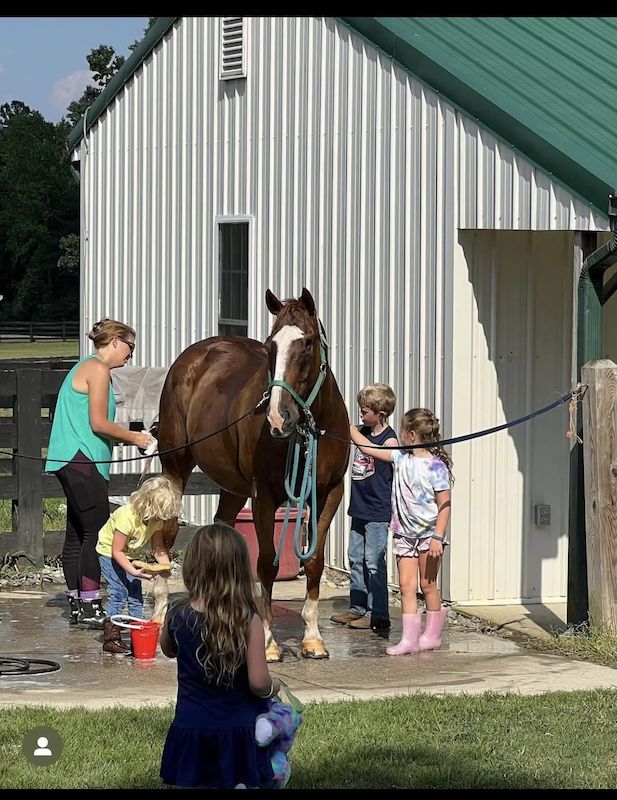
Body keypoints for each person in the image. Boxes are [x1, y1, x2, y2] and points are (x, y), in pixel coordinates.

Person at [44, 319, 154, 630]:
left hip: (70, 459)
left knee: (77, 534)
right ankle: (92, 605)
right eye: (130, 347)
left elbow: (93, 424)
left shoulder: (85, 367)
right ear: (116, 341)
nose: (130, 355)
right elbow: (97, 423)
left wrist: (122, 437)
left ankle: (78, 603)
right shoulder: (98, 369)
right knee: (96, 532)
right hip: (83, 461)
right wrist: (137, 439)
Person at [159, 523, 281, 790]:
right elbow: (259, 683)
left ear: (193, 566)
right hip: (238, 732)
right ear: (239, 569)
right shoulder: (248, 618)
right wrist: (276, 686)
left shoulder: (176, 614)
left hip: (191, 728)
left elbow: (168, 649)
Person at [349, 407, 453, 655]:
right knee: (407, 587)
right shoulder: (400, 457)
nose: (400, 434)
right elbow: (367, 448)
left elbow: (445, 504)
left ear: (412, 435)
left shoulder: (436, 467)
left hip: (429, 536)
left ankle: (432, 635)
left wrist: (438, 536)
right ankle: (409, 640)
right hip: (405, 535)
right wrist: (350, 430)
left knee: (428, 586)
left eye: (404, 430)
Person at [331, 384, 398, 632]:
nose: (361, 415)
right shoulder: (362, 432)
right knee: (355, 558)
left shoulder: (388, 439)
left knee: (374, 562)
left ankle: (377, 613)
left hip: (377, 512)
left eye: (365, 411)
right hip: (358, 508)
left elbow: (374, 452)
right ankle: (357, 607)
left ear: (381, 413)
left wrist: (350, 430)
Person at [95, 475, 182, 655]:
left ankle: (139, 633)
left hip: (129, 555)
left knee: (135, 593)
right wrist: (134, 571)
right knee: (119, 592)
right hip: (109, 552)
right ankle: (111, 638)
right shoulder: (127, 516)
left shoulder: (155, 521)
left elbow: (158, 548)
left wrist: (165, 566)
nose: (160, 519)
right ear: (148, 505)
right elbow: (117, 551)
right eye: (159, 514)